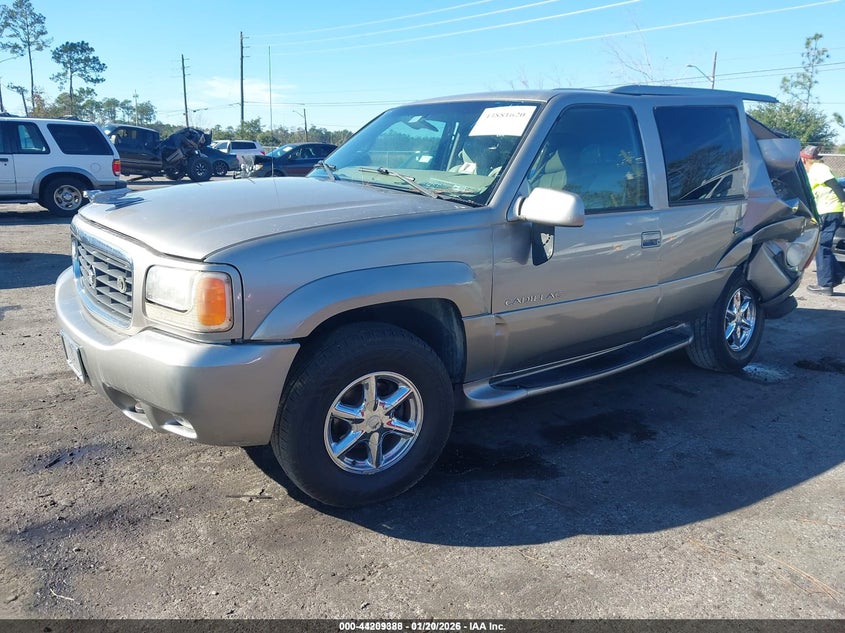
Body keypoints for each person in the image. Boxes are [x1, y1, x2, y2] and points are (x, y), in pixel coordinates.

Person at [800, 145, 845, 295]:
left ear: (805, 159)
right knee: (822, 246)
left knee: (821, 246)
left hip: (830, 211)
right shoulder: (815, 170)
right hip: (827, 211)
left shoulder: (819, 169)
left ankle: (825, 285)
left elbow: (836, 187)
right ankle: (837, 275)